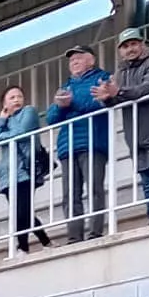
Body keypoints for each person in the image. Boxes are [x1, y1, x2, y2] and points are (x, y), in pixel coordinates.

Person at [98, 29, 149, 224]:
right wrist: (106, 98)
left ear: (142, 45)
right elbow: (115, 98)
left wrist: (119, 92)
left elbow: (148, 88)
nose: (129, 49)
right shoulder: (121, 72)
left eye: (133, 44)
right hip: (135, 132)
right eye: (125, 46)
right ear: (119, 51)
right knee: (145, 175)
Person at [47, 43, 111, 243]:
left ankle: (95, 232)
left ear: (91, 60)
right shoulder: (66, 86)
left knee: (94, 189)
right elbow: (51, 118)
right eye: (71, 60)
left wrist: (70, 104)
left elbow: (98, 103)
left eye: (79, 58)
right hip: (68, 145)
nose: (74, 62)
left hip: (93, 141)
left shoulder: (102, 78)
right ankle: (74, 236)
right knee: (70, 194)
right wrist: (60, 106)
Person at [0, 85, 49, 250]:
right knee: (21, 212)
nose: (17, 100)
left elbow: (21, 132)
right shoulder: (3, 121)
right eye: (11, 98)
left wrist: (2, 135)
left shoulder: (29, 111)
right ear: (4, 103)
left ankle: (23, 247)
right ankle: (45, 241)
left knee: (22, 211)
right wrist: (1, 119)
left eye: (19, 96)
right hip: (7, 173)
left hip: (26, 169)